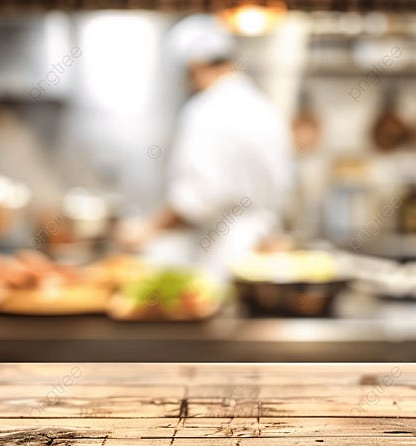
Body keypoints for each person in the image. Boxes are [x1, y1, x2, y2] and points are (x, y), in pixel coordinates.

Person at [118, 15, 293, 279]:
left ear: (195, 66)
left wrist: (147, 230)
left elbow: (197, 198)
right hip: (265, 250)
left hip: (227, 254)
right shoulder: (264, 107)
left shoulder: (205, 111)